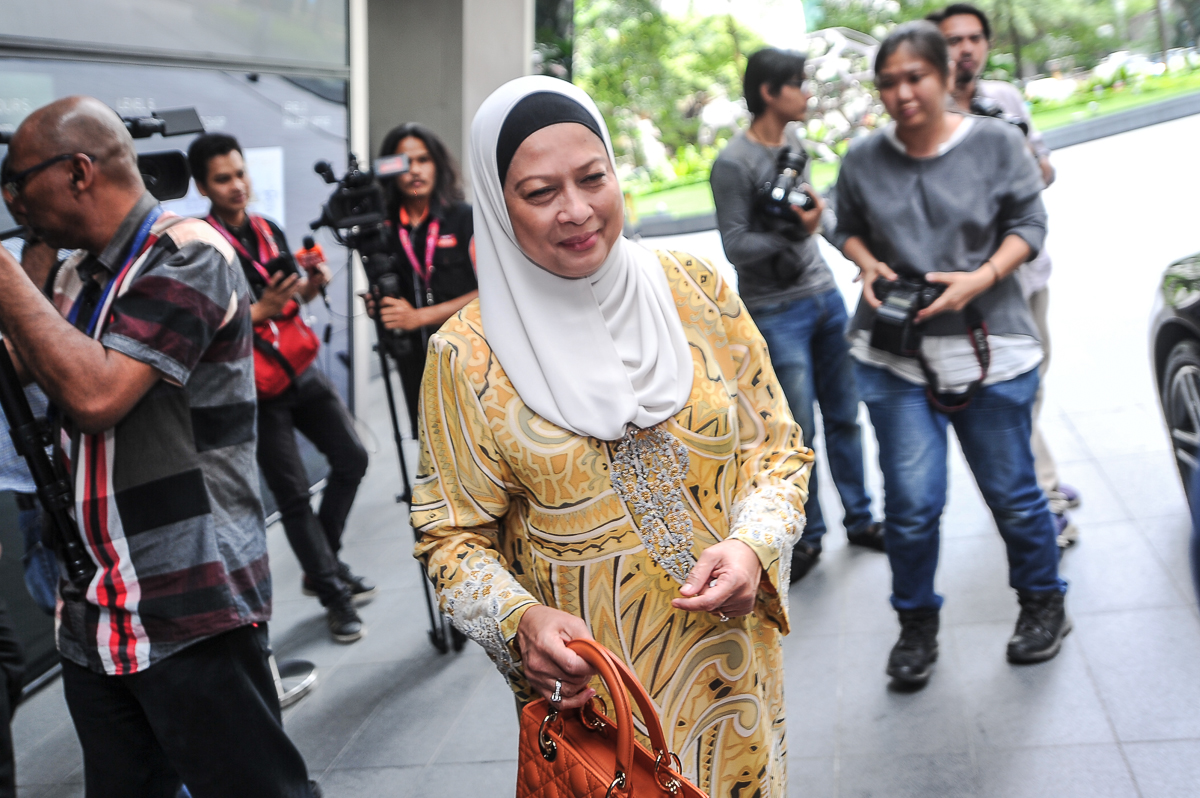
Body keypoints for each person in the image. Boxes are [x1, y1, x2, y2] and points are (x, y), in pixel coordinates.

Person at [412, 76, 813, 797]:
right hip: (600, 707)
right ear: (498, 208)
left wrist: (754, 544)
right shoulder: (466, 356)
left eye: (593, 177)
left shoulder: (695, 289)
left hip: (738, 676)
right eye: (539, 193)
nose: (577, 211)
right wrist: (521, 620)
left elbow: (776, 448)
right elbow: (450, 534)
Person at [0, 96, 315, 797]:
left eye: (19, 181)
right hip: (95, 606)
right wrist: (30, 270)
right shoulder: (78, 272)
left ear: (79, 171)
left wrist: (3, 276)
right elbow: (25, 361)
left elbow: (96, 394)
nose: (12, 200)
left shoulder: (189, 254)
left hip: (187, 598)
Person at [831, 23, 1069, 689]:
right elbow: (840, 221)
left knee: (1015, 496)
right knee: (911, 504)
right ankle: (915, 623)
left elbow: (1030, 223)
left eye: (914, 77)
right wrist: (867, 261)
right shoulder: (863, 158)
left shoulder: (994, 143)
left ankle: (1044, 603)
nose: (901, 93)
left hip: (990, 348)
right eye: (888, 82)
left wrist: (981, 278)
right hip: (895, 360)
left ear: (942, 76)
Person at [189, 133, 373, 644]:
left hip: (299, 366)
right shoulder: (199, 245)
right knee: (292, 496)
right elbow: (201, 323)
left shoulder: (266, 228)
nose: (236, 186)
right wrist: (260, 312)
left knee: (352, 459)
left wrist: (312, 284)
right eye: (223, 179)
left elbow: (288, 293)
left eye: (240, 173)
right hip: (253, 385)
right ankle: (335, 594)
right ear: (204, 186)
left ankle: (323, 568)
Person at [710, 47, 883, 582]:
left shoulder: (794, 143)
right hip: (775, 310)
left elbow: (817, 216)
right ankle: (806, 538)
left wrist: (864, 260)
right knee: (798, 431)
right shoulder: (732, 163)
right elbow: (737, 245)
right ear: (769, 92)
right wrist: (794, 232)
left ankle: (861, 519)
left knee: (845, 415)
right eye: (798, 85)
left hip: (824, 297)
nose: (807, 94)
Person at [928, 2, 1082, 548]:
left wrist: (1016, 155)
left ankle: (1041, 480)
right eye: (952, 39)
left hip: (1028, 274)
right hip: (976, 290)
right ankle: (1041, 497)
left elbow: (1046, 170)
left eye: (974, 38)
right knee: (1009, 392)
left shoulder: (1006, 101)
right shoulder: (928, 113)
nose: (965, 48)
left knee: (1033, 384)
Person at [372, 123, 477, 436]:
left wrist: (419, 317)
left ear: (438, 164)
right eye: (405, 162)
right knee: (431, 446)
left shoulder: (465, 217)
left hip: (469, 356)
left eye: (423, 160)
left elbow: (490, 291)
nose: (414, 170)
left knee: (473, 443)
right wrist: (380, 306)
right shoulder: (384, 228)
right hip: (414, 360)